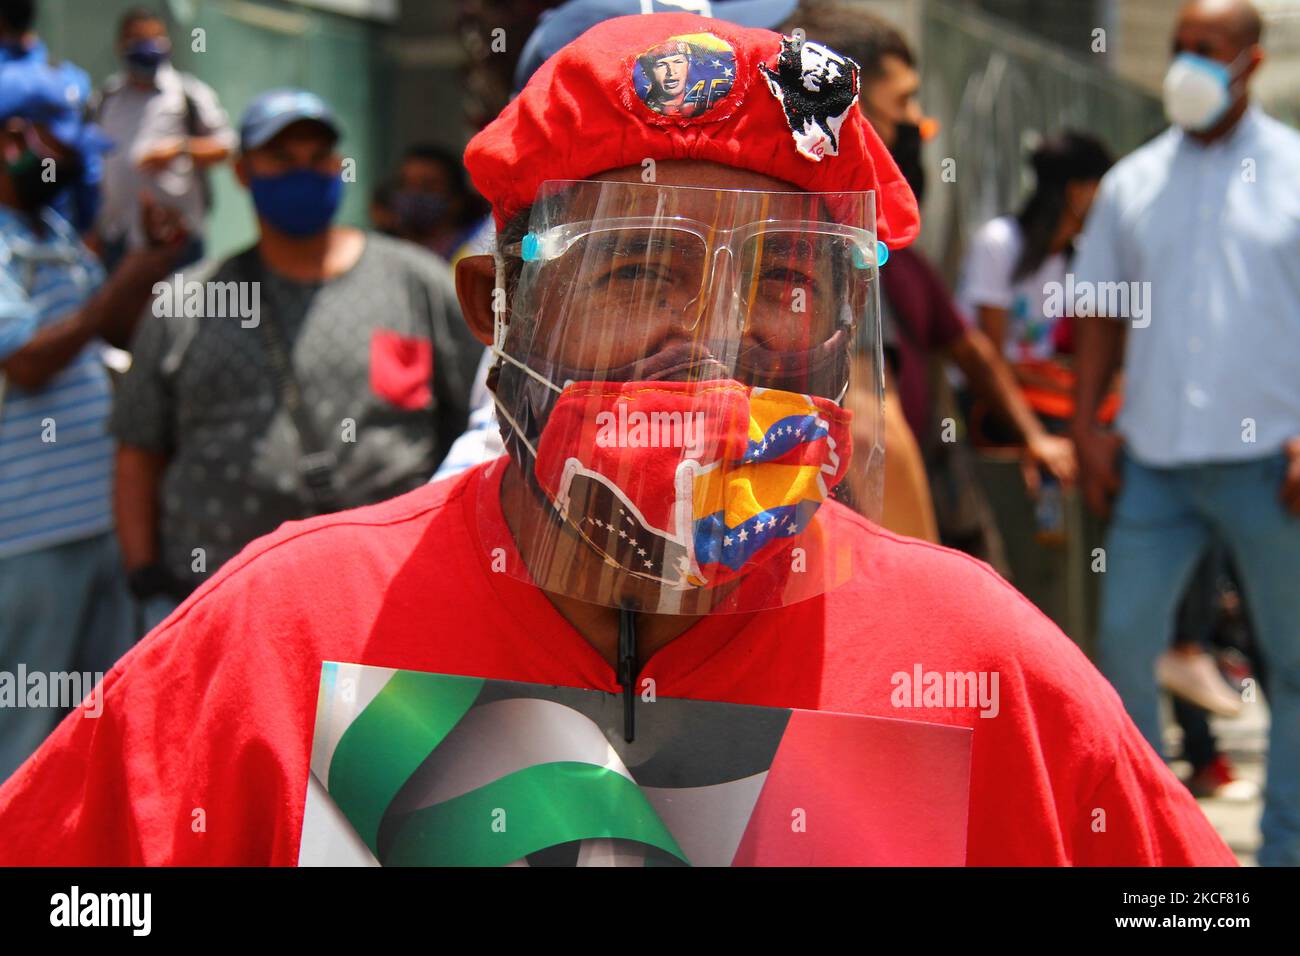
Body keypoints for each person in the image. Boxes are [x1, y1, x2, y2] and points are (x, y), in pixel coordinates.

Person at [0, 14, 1233, 866]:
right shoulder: (287, 634)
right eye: (639, 266)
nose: (714, 340)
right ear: (499, 312)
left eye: (791, 279)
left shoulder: (979, 661)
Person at [109, 89, 482, 632]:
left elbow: (473, 428)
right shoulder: (187, 301)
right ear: (243, 173)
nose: (303, 172)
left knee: (390, 725)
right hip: (219, 608)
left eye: (317, 158)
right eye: (282, 159)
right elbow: (138, 449)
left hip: (390, 605)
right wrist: (145, 578)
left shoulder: (415, 285)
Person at [1071, 0, 1300, 866]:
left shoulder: (1293, 171)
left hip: (1273, 467)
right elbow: (1095, 309)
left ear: (1249, 60)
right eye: (1178, 48)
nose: (1186, 66)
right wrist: (1090, 425)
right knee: (1123, 647)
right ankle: (1152, 847)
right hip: (1154, 467)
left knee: (1295, 665)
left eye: (1206, 50)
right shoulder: (1137, 180)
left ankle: (1285, 850)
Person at [785, 4, 1075, 564]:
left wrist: (1031, 434)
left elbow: (968, 348)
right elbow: (869, 426)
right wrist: (921, 578)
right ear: (847, 109)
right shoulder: (830, 238)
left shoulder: (885, 247)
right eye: (903, 103)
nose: (919, 123)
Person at [0, 57, 188, 783]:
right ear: (16, 138)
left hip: (95, 523)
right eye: (63, 142)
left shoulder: (48, 227)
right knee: (23, 739)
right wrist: (127, 276)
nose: (75, 162)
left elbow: (113, 336)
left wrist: (148, 264)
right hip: (27, 539)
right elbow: (29, 361)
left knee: (90, 737)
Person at [92, 6, 236, 270]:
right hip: (118, 240)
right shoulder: (107, 97)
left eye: (155, 39)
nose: (148, 47)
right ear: (120, 45)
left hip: (178, 242)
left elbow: (227, 147)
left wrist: (181, 149)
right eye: (139, 40)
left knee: (181, 310)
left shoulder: (189, 94)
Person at [386, 144, 490, 263]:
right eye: (405, 184)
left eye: (427, 186)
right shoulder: (384, 254)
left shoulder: (477, 250)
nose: (414, 193)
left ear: (457, 198)